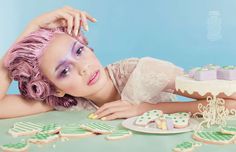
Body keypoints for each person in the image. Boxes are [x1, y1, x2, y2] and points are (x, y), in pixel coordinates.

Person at [1, 6, 236, 120]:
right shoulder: (69, 103)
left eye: (79, 51)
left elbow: (231, 103)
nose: (83, 67)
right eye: (64, 70)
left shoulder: (140, 71)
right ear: (57, 89)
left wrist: (148, 109)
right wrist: (28, 31)